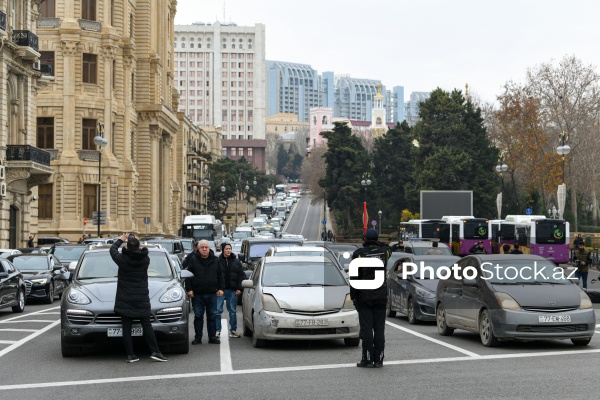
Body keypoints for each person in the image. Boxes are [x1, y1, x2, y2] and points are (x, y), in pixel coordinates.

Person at [109, 233, 167, 363]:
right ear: (139, 247)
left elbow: (112, 250)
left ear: (127, 247)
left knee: (126, 327)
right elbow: (138, 252)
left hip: (125, 299)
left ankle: (131, 355)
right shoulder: (145, 260)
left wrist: (120, 240)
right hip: (141, 298)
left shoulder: (122, 259)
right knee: (147, 325)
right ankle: (155, 351)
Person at [351, 228, 391, 369]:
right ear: (376, 239)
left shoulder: (359, 255)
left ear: (365, 239)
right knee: (379, 330)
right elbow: (387, 247)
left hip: (365, 297)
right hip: (381, 296)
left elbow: (354, 278)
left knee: (367, 329)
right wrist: (376, 242)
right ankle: (379, 360)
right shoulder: (384, 253)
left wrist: (354, 297)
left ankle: (367, 360)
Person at [185, 240, 224, 345]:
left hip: (212, 293)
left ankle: (212, 337)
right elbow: (188, 276)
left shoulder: (215, 260)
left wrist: (221, 288)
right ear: (198, 248)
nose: (204, 249)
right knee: (198, 316)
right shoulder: (193, 259)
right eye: (202, 247)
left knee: (212, 316)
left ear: (209, 248)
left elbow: (220, 276)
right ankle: (198, 337)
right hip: (197, 294)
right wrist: (189, 289)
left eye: (206, 247)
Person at [216, 243, 245, 338]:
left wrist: (239, 288)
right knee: (218, 311)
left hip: (232, 290)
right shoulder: (218, 261)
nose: (228, 250)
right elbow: (215, 275)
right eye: (226, 249)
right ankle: (217, 331)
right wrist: (217, 288)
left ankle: (233, 330)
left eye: (230, 248)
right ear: (223, 250)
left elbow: (241, 275)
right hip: (221, 290)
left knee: (232, 311)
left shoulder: (236, 261)